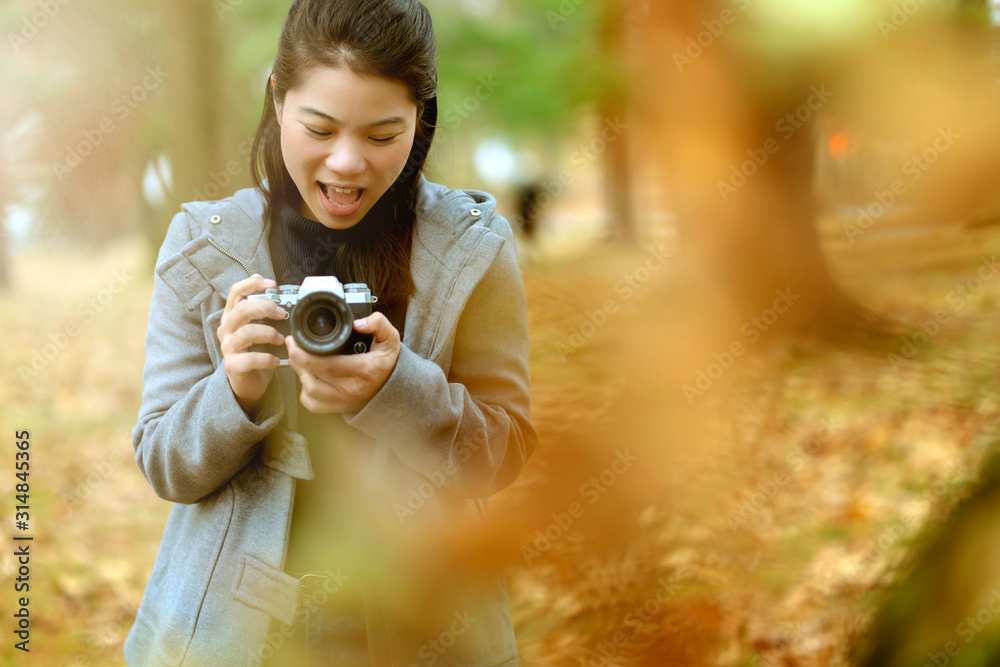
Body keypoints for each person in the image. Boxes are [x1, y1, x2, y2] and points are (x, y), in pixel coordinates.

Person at [124, 1, 536, 665]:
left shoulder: (474, 249)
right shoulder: (202, 245)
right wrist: (234, 390)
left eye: (381, 136)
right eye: (320, 127)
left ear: (421, 121)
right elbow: (165, 464)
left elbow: (503, 453)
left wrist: (400, 388)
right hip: (232, 635)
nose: (346, 164)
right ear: (278, 101)